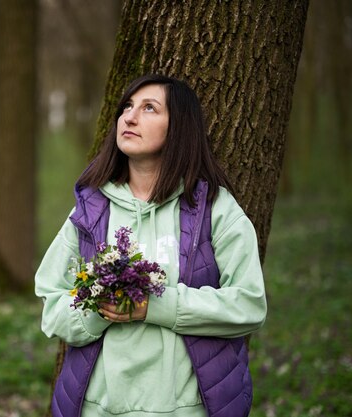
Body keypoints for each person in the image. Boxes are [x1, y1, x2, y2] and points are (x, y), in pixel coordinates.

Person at [35, 74, 267, 417]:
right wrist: (100, 310)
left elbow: (249, 305)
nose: (129, 117)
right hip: (97, 410)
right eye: (127, 107)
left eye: (149, 108)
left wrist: (153, 306)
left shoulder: (213, 209)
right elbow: (52, 309)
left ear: (179, 128)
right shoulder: (91, 210)